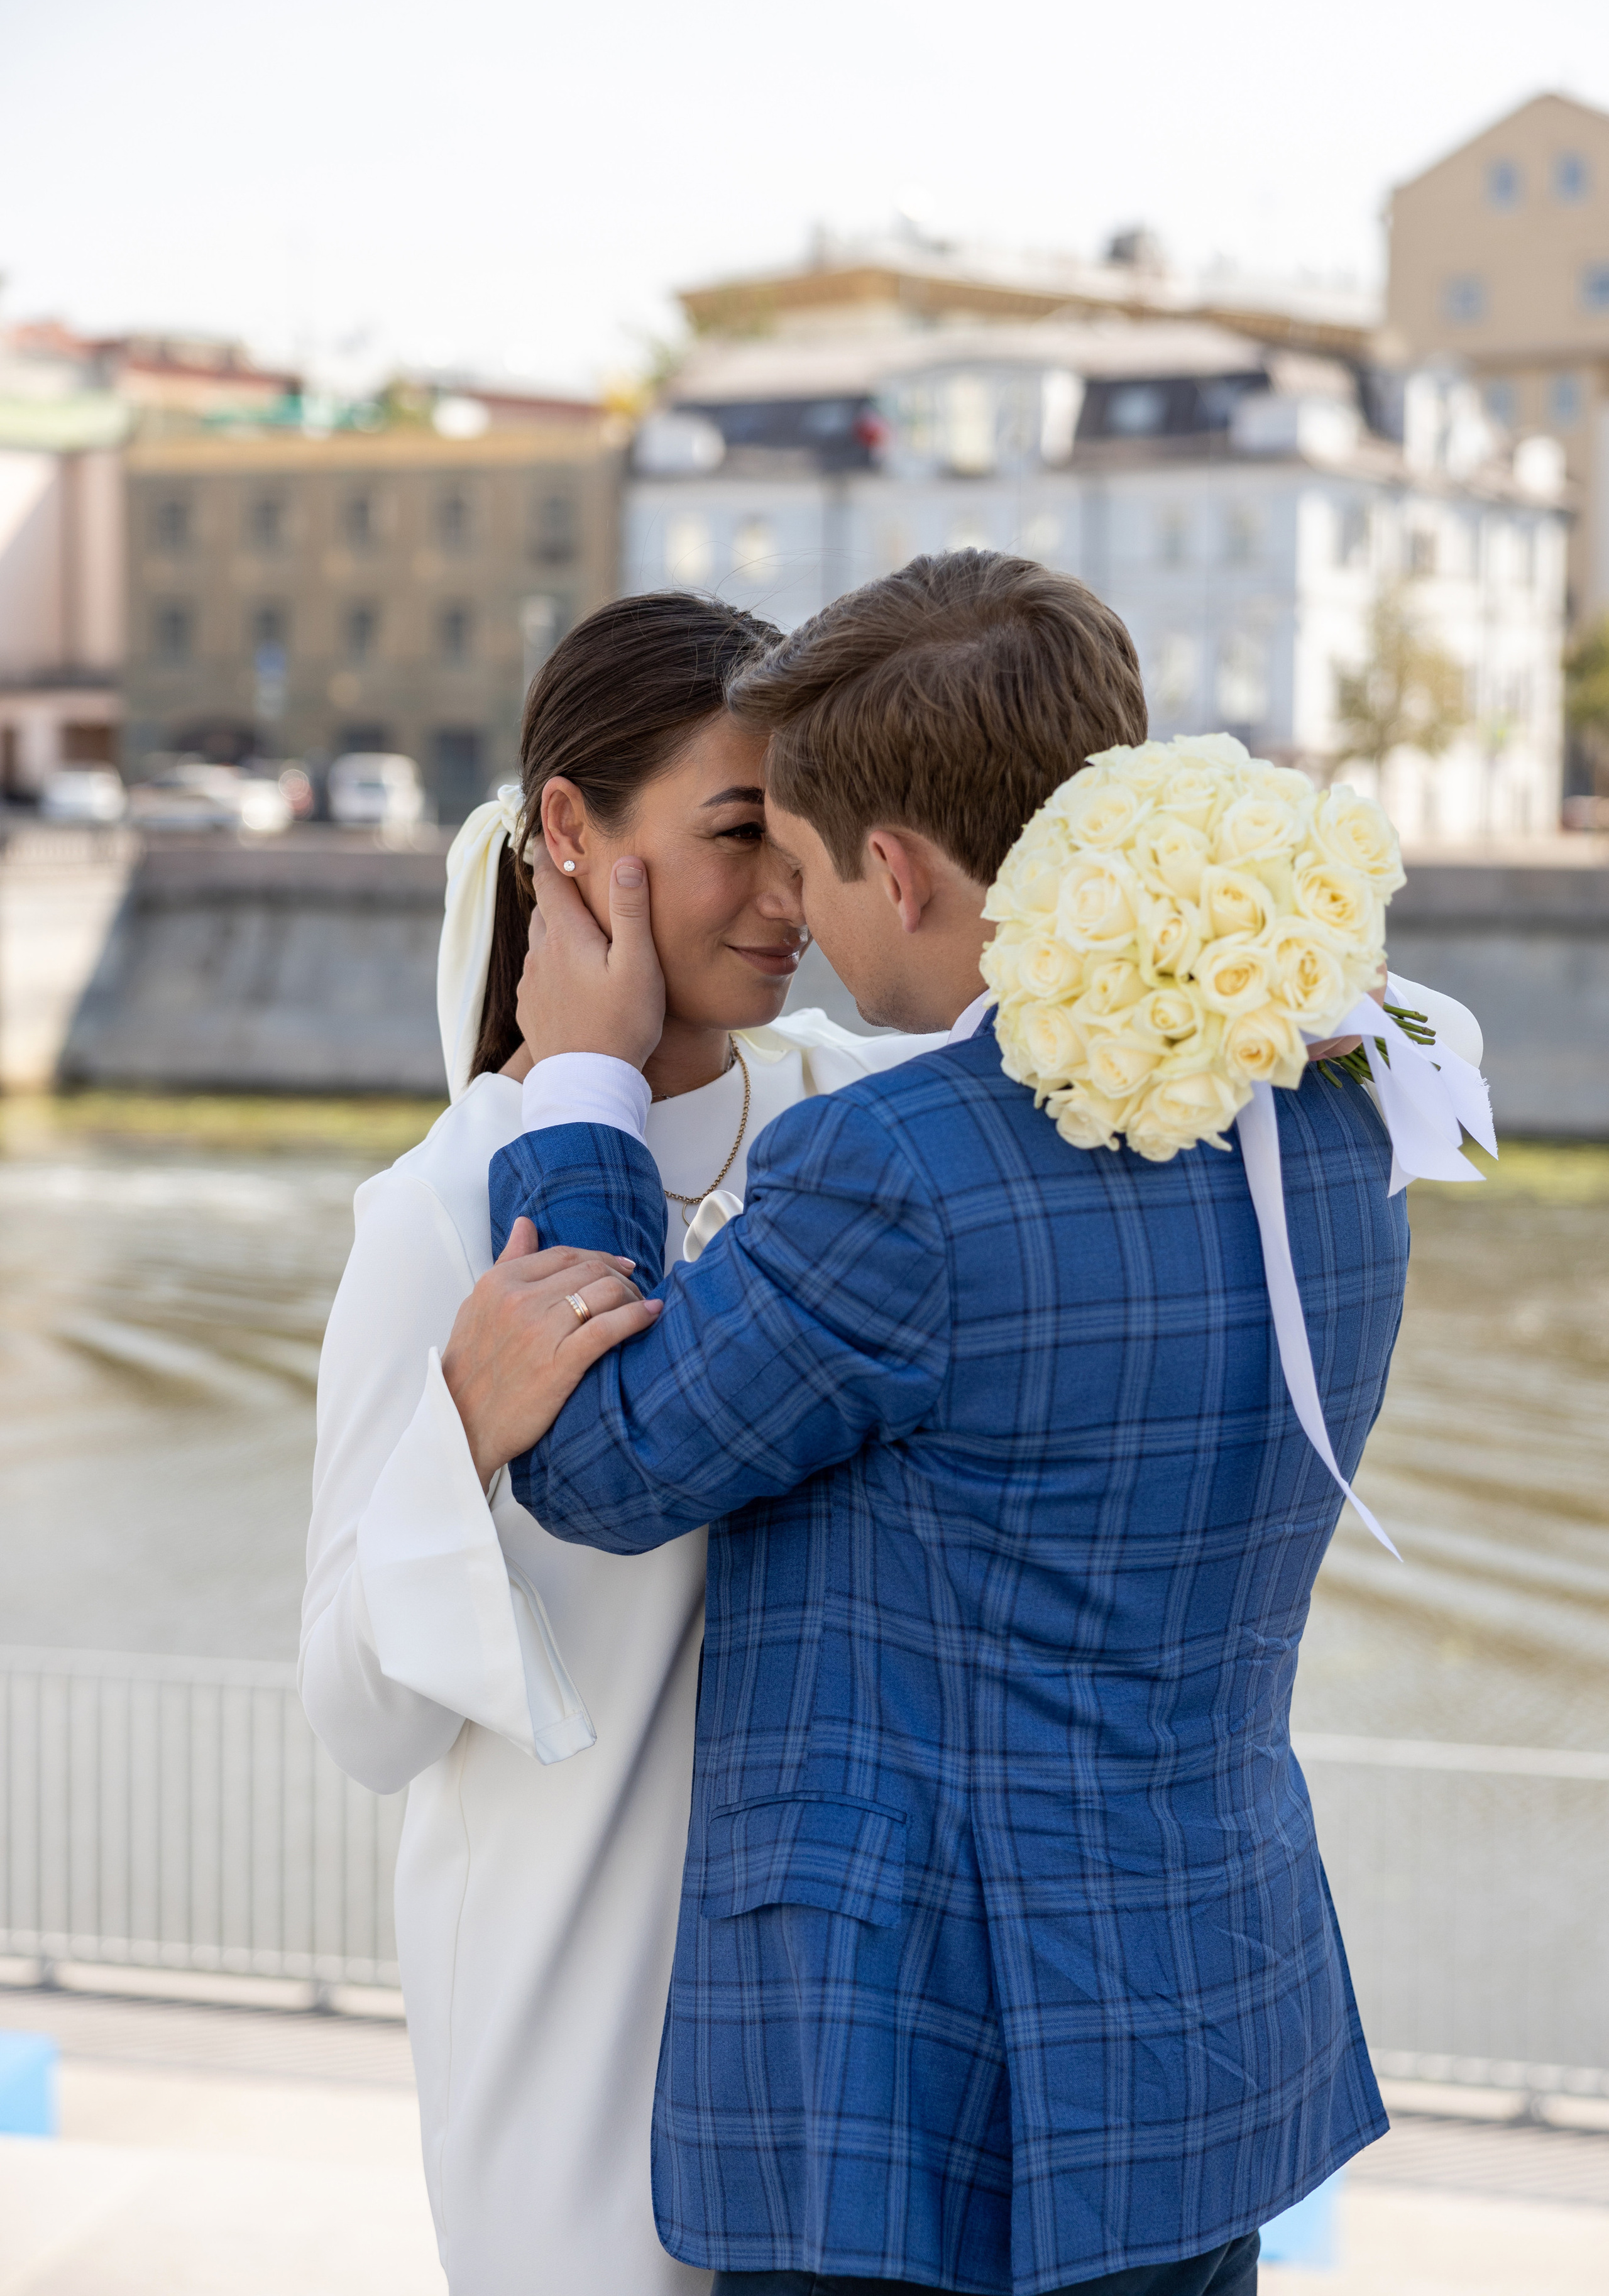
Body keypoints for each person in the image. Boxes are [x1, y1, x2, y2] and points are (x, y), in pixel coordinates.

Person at [442, 552, 1483, 2296]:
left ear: (903, 873)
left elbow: (601, 1465)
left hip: (917, 2096)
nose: (793, 912)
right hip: (1214, 2044)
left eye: (803, 861)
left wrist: (585, 1088)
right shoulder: (1344, 1105)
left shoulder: (898, 1170)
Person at [300, 591, 946, 2296]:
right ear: (572, 830)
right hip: (576, 2021)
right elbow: (359, 1719)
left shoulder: (859, 1120)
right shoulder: (443, 1211)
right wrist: (463, 1431)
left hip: (853, 2037)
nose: (791, 898)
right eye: (739, 835)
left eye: (804, 838)